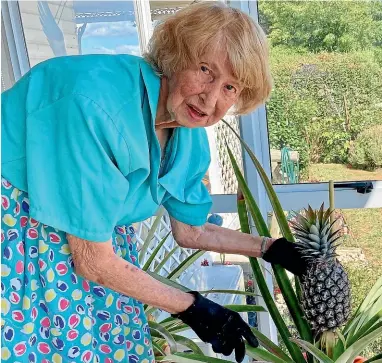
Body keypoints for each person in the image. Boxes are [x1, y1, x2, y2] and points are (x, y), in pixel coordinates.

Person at [0, 2, 307, 362]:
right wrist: (193, 308)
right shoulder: (95, 105)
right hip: (21, 227)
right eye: (205, 69)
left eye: (230, 87)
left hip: (94, 239)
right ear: (176, 57)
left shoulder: (187, 132)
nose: (211, 99)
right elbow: (93, 262)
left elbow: (191, 232)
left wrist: (272, 249)